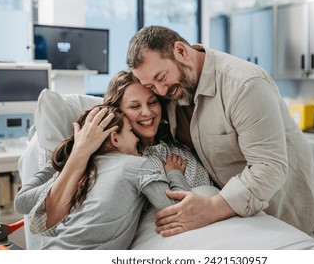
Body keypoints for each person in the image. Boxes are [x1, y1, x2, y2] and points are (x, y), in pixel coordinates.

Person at [126, 25, 314, 236]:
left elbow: (268, 168)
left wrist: (211, 208)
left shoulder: (244, 85)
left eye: (162, 77)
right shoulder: (171, 95)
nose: (162, 91)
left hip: (281, 210)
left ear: (181, 51)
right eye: (152, 86)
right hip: (236, 218)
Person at [18, 104, 190, 249]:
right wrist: (174, 173)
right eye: (131, 132)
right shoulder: (137, 165)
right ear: (115, 138)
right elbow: (177, 209)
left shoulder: (83, 172)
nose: (136, 138)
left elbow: (22, 201)